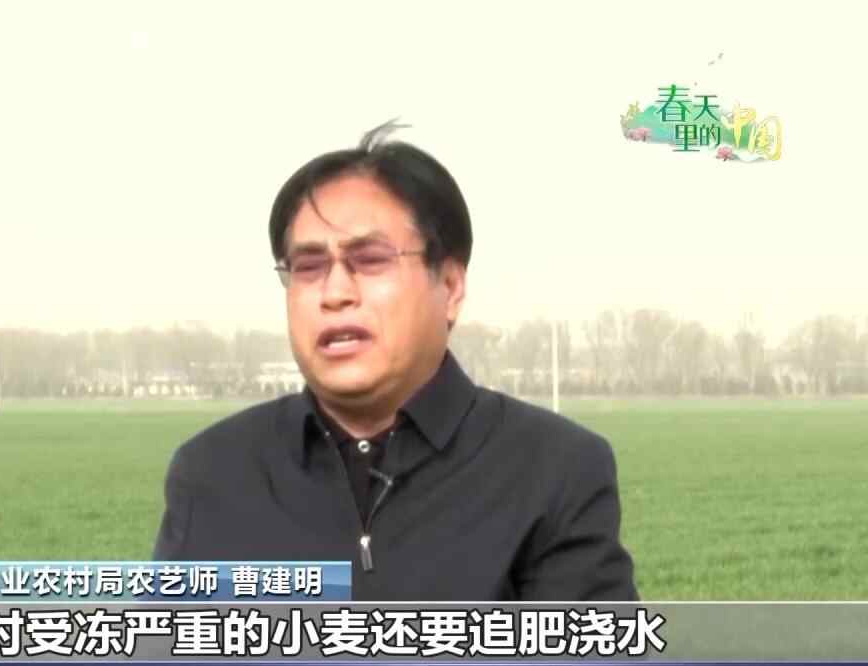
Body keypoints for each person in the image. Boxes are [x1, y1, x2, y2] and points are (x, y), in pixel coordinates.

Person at [152, 120, 638, 600]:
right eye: (309, 266)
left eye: (370, 260)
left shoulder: (553, 471)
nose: (335, 293)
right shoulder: (214, 473)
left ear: (450, 286)